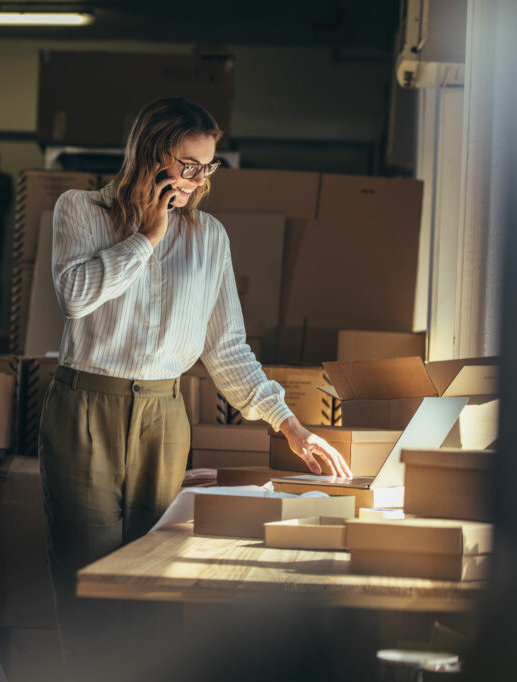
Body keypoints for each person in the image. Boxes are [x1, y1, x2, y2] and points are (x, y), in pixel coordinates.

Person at [37, 96, 352, 680]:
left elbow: (226, 347)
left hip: (163, 415)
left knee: (156, 578)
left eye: (208, 167)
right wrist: (147, 238)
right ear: (152, 154)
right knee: (88, 578)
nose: (199, 179)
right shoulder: (81, 208)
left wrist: (291, 424)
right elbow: (75, 297)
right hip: (86, 407)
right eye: (189, 164)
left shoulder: (210, 237)